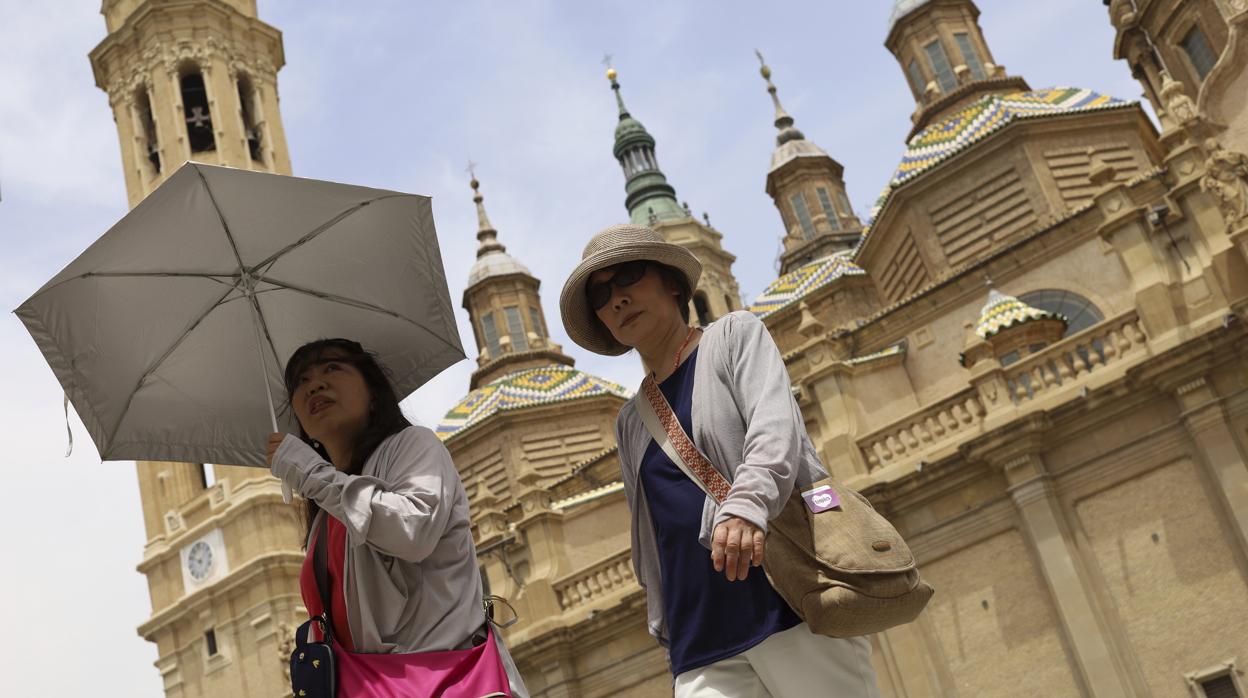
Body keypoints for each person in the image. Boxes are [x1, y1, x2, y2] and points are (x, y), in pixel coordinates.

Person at [559, 224, 880, 697]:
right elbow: (648, 532)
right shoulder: (629, 422)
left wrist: (747, 506)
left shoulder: (734, 337)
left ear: (672, 281)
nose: (616, 299)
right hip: (699, 636)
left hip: (787, 596)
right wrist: (663, 619)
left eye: (627, 276)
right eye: (601, 295)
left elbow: (776, 431)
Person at [266, 338, 527, 696]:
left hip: (445, 685)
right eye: (300, 381)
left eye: (332, 367)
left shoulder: (414, 446)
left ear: (374, 392)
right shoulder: (324, 514)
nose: (315, 384)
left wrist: (311, 474)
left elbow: (412, 531)